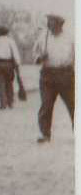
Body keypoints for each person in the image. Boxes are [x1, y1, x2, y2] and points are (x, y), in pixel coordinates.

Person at [34, 13, 74, 143]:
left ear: (59, 23)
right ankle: (45, 134)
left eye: (51, 21)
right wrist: (40, 58)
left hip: (66, 75)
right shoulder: (42, 37)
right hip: (47, 75)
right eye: (48, 21)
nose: (48, 24)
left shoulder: (70, 38)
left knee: (73, 105)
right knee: (46, 105)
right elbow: (34, 55)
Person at [0, 26, 22, 109]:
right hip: (9, 65)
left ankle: (3, 104)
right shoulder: (11, 41)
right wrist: (17, 64)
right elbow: (15, 54)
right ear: (7, 33)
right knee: (9, 83)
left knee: (0, 84)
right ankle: (10, 102)